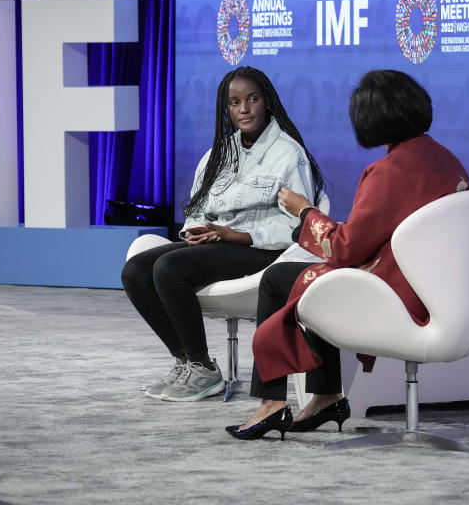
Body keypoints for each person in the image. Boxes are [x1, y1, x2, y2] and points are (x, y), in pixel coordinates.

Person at [226, 69, 469, 440]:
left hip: (398, 296)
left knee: (282, 279)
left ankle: (271, 403)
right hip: (436, 289)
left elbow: (343, 249)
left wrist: (303, 212)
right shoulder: (443, 158)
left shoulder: (391, 170)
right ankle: (326, 396)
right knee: (319, 278)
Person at [122, 66, 324, 402]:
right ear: (226, 109)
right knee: (135, 271)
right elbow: (197, 209)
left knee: (169, 269)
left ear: (268, 102)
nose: (244, 109)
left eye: (252, 99)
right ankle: (185, 361)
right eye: (234, 102)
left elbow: (296, 225)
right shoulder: (220, 153)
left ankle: (204, 369)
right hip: (218, 245)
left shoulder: (289, 154)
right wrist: (197, 232)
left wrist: (236, 235)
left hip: (262, 250)